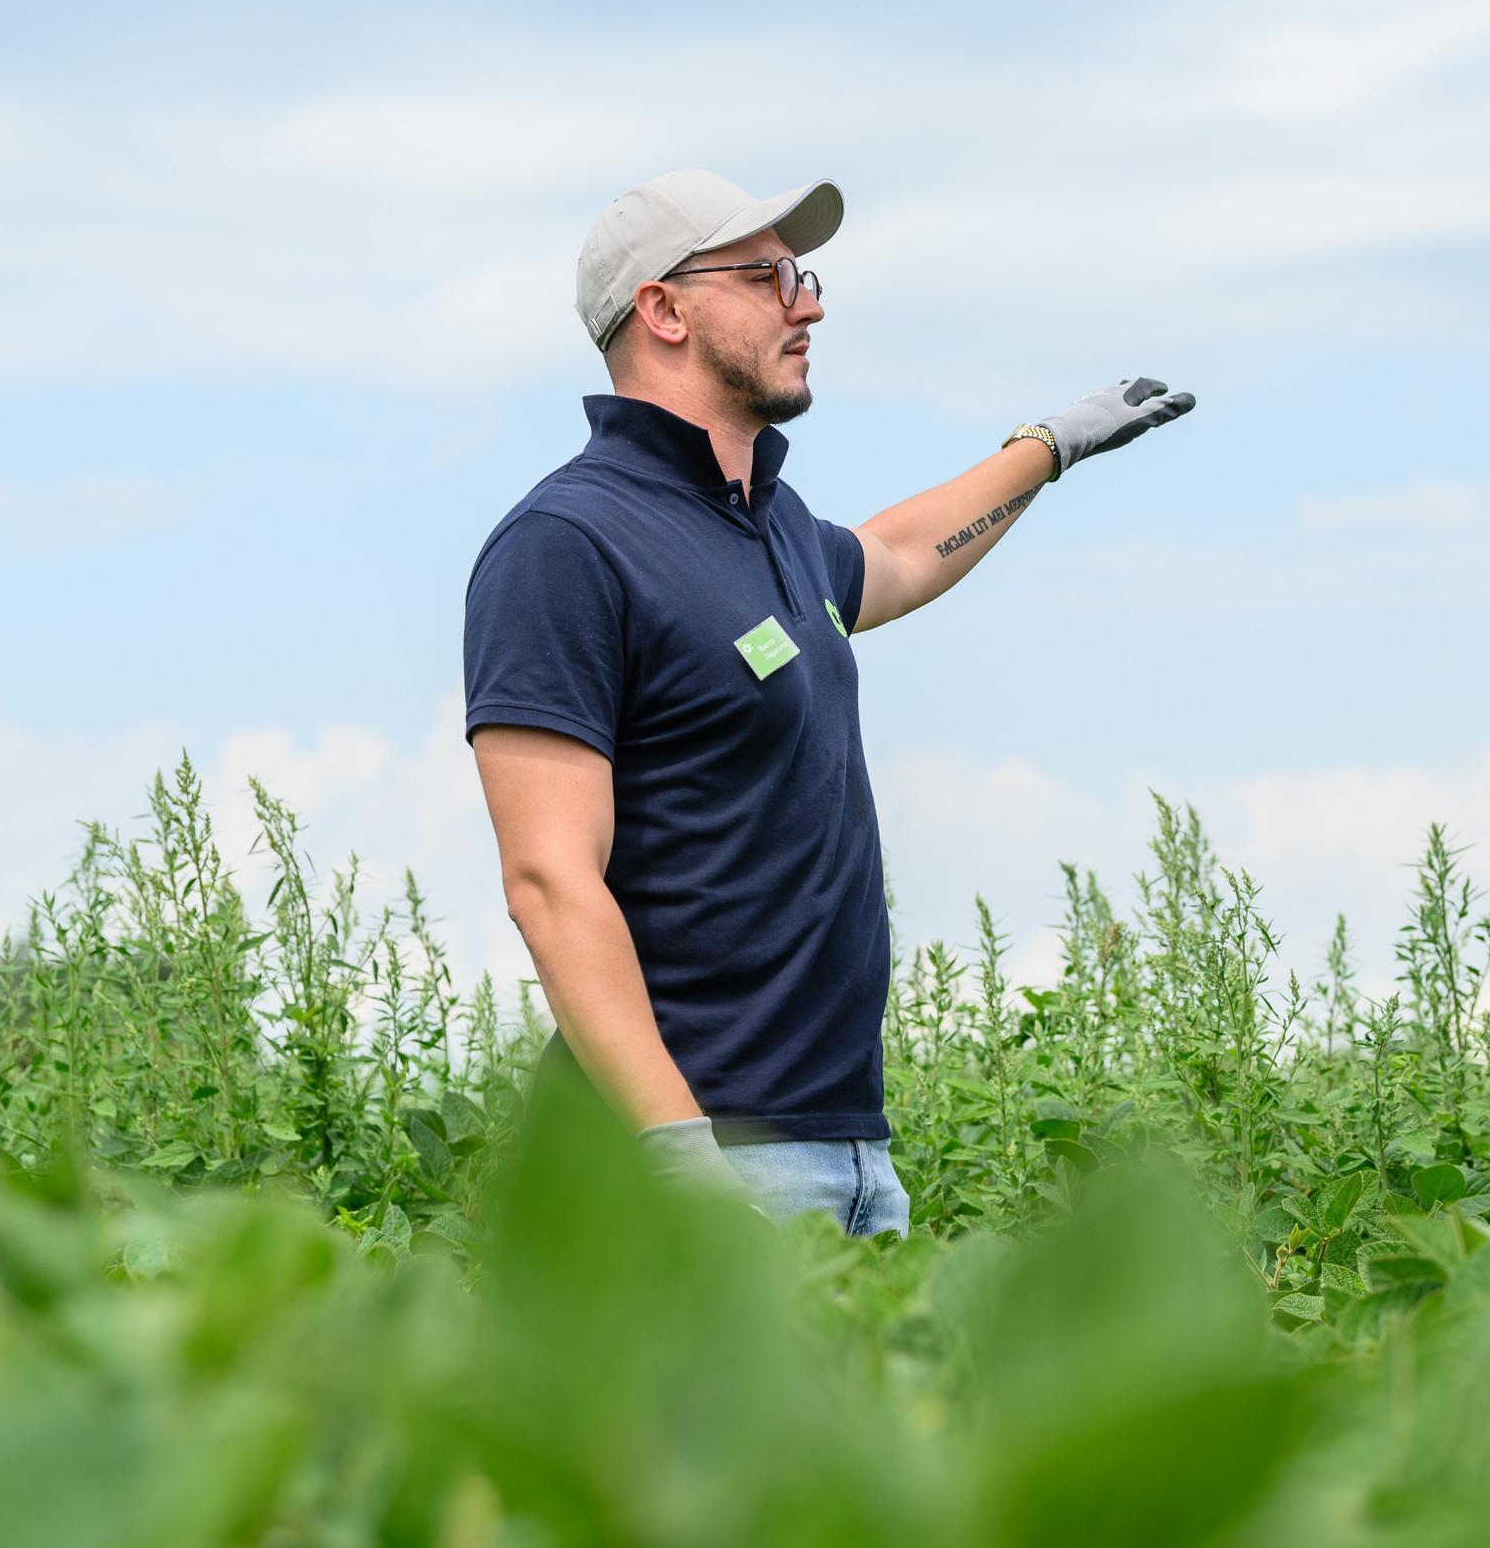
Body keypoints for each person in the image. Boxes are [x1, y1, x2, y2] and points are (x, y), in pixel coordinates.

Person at [462, 170, 1193, 1236]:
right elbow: (548, 881)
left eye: (803, 277)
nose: (805, 305)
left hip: (850, 1156)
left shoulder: (774, 527)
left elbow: (898, 555)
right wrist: (676, 1156)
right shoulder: (566, 546)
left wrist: (1046, 449)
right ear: (662, 309)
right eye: (767, 278)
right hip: (690, 1165)